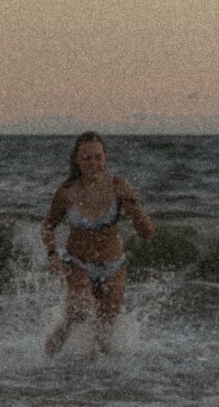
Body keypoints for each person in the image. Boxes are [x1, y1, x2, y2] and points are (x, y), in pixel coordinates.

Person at [40, 132, 154, 355]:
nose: (93, 163)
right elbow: (47, 226)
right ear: (76, 159)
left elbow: (147, 233)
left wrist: (135, 206)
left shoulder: (118, 186)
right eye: (87, 158)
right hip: (77, 263)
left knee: (105, 331)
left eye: (98, 157)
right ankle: (48, 356)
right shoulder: (66, 193)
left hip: (114, 266)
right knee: (80, 310)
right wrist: (52, 254)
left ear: (105, 157)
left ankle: (99, 373)